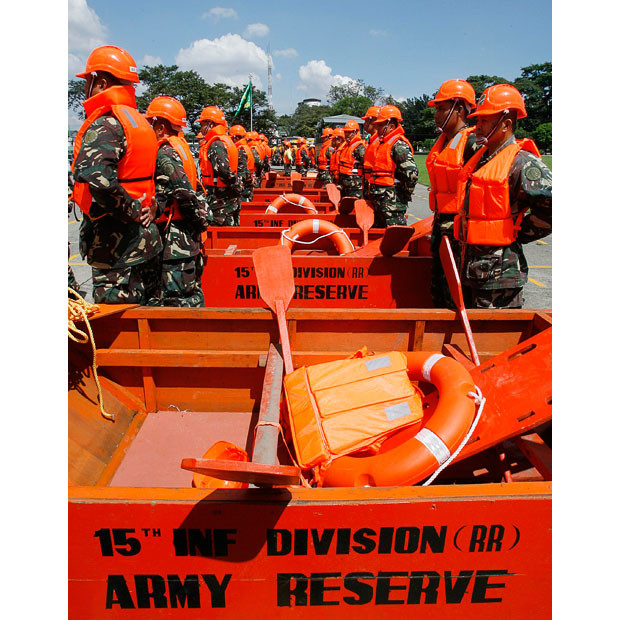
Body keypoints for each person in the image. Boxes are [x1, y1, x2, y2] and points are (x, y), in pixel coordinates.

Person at [71, 45, 162, 304]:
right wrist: (149, 208)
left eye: (87, 81)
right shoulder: (140, 123)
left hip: (117, 250)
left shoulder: (107, 123)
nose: (85, 89)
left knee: (119, 331)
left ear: (99, 82)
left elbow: (98, 181)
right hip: (147, 243)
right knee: (149, 317)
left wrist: (132, 211)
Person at [454, 84, 552, 309]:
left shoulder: (522, 162)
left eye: (484, 121)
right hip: (472, 269)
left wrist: (518, 231)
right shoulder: (481, 157)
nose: (477, 127)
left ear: (506, 124)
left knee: (493, 341)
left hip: (499, 277)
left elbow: (552, 207)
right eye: (477, 121)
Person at [145, 96, 210, 307]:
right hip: (183, 235)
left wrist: (197, 224)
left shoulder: (165, 152)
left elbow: (184, 192)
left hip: (175, 240)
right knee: (185, 293)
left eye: (151, 123)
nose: (149, 127)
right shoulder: (180, 148)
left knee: (177, 299)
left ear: (161, 126)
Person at [426, 79, 478, 307]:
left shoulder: (473, 142)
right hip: (441, 228)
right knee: (439, 290)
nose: (436, 115)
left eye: (441, 108)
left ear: (459, 109)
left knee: (455, 294)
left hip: (460, 235)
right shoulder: (444, 142)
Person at [367, 105, 418, 227]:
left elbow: (411, 175)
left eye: (380, 125)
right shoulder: (383, 143)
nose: (376, 127)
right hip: (381, 201)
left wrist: (403, 195)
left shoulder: (398, 145)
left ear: (391, 126)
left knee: (394, 238)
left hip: (392, 205)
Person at [198, 106, 242, 226]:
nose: (201, 128)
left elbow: (223, 171)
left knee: (223, 231)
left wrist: (236, 184)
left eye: (202, 124)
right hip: (228, 197)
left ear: (210, 124)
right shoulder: (226, 141)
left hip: (221, 199)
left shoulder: (216, 144)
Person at [338, 120, 366, 198]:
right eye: (345, 132)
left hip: (355, 186)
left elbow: (366, 164)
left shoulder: (359, 147)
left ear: (355, 132)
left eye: (349, 132)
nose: (346, 134)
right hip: (345, 184)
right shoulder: (346, 146)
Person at [230, 124, 256, 203]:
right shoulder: (246, 148)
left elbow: (242, 171)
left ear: (236, 138)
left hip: (245, 185)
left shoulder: (241, 150)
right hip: (249, 181)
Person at [361, 106, 381, 199]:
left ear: (372, 121)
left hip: (379, 191)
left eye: (366, 121)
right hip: (371, 187)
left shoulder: (379, 142)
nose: (364, 124)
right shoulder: (372, 141)